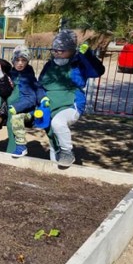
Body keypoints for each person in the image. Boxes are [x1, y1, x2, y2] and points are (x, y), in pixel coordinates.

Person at [39, 30, 105, 167]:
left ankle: (67, 152)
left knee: (58, 123)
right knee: (52, 136)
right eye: (54, 50)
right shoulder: (49, 65)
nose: (57, 53)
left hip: (71, 103)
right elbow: (40, 83)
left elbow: (97, 71)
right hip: (49, 105)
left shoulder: (79, 63)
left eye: (61, 50)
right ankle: (55, 165)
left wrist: (88, 55)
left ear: (71, 50)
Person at [5, 45, 45, 158]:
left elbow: (31, 98)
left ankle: (16, 149)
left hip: (25, 111)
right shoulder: (10, 74)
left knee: (13, 122)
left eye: (23, 60)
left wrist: (17, 107)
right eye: (17, 60)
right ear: (13, 60)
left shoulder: (29, 77)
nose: (20, 63)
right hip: (9, 107)